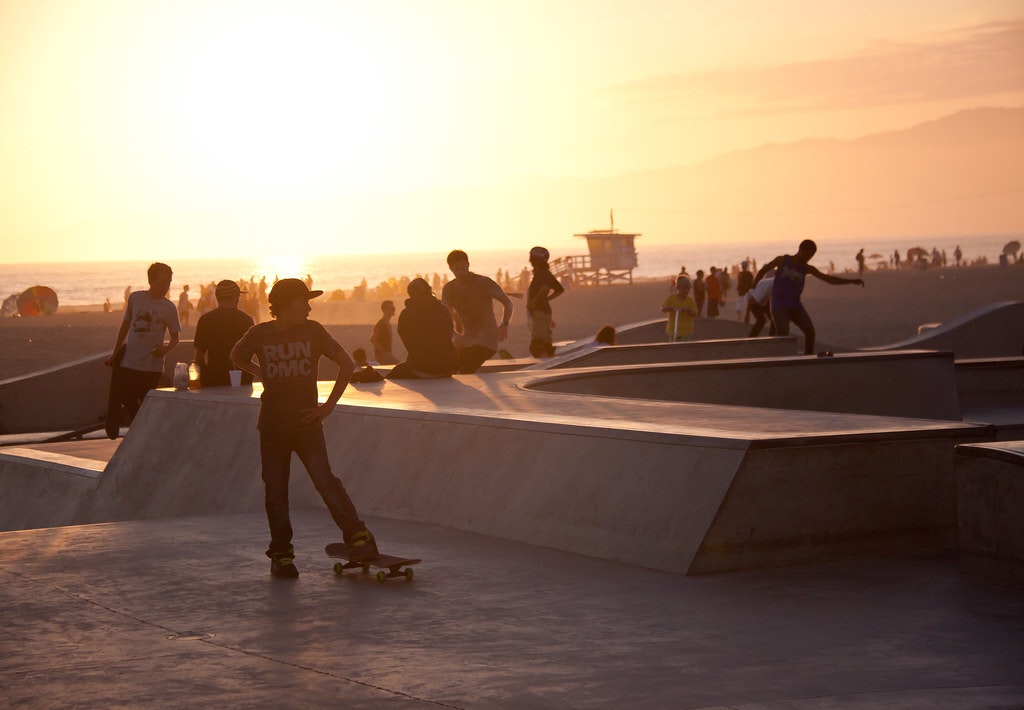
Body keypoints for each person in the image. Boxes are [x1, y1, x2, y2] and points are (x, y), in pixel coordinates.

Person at [230, 278, 378, 578]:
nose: (309, 308)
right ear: (285, 306)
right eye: (303, 303)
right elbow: (236, 356)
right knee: (275, 492)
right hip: (272, 427)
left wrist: (328, 407)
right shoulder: (260, 333)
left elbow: (347, 365)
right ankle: (282, 556)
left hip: (307, 425)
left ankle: (359, 538)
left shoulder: (314, 331)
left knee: (325, 481)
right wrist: (261, 372)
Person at [753, 239, 864, 355]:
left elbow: (828, 279)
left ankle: (808, 357)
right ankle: (778, 357)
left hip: (795, 304)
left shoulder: (807, 268)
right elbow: (763, 270)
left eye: (811, 256)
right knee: (783, 330)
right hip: (778, 303)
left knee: (810, 332)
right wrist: (754, 285)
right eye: (808, 255)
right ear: (801, 250)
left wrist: (851, 281)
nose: (809, 258)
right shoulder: (782, 260)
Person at [107, 263, 181, 433]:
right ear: (151, 281)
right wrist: (115, 352)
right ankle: (141, 429)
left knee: (147, 403)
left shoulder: (169, 307)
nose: (166, 287)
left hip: (152, 366)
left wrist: (165, 349)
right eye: (163, 283)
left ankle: (143, 431)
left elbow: (176, 338)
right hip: (129, 362)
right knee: (126, 398)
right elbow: (125, 325)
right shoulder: (135, 298)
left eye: (169, 283)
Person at [441, 249, 514, 374]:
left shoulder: (483, 283)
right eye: (457, 270)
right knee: (450, 369)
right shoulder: (449, 289)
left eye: (463, 268)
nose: (461, 272)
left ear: (468, 265)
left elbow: (508, 303)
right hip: (466, 340)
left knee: (465, 370)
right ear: (451, 269)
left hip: (486, 338)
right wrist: (455, 334)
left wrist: (504, 324)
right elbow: (445, 314)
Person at [388, 278, 458, 379]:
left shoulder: (406, 314)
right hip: (447, 366)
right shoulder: (443, 309)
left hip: (422, 367)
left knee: (392, 377)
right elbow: (449, 336)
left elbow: (408, 345)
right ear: (429, 289)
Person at [193, 280, 255, 387]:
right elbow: (252, 354)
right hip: (241, 379)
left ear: (217, 297)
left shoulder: (205, 320)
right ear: (235, 297)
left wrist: (204, 376)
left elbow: (199, 358)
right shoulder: (246, 320)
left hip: (213, 378)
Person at [526, 246, 565, 358]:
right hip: (543, 311)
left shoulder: (542, 273)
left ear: (535, 259)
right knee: (546, 340)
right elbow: (559, 289)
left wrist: (534, 302)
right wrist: (546, 300)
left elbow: (544, 289)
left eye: (531, 258)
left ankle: (543, 364)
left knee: (538, 343)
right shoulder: (545, 272)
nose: (529, 260)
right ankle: (550, 360)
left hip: (540, 311)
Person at [660, 276, 698, 342]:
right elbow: (663, 309)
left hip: (686, 330)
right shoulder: (672, 298)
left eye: (688, 288)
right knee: (673, 346)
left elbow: (695, 313)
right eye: (684, 288)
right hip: (673, 329)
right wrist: (668, 309)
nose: (686, 290)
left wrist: (688, 311)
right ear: (678, 288)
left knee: (684, 347)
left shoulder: (690, 301)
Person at [368, 300, 398, 365]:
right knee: (397, 366)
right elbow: (373, 339)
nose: (394, 309)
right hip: (383, 356)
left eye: (394, 308)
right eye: (391, 308)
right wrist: (384, 352)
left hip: (386, 355)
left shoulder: (387, 324)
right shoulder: (381, 324)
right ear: (385, 310)